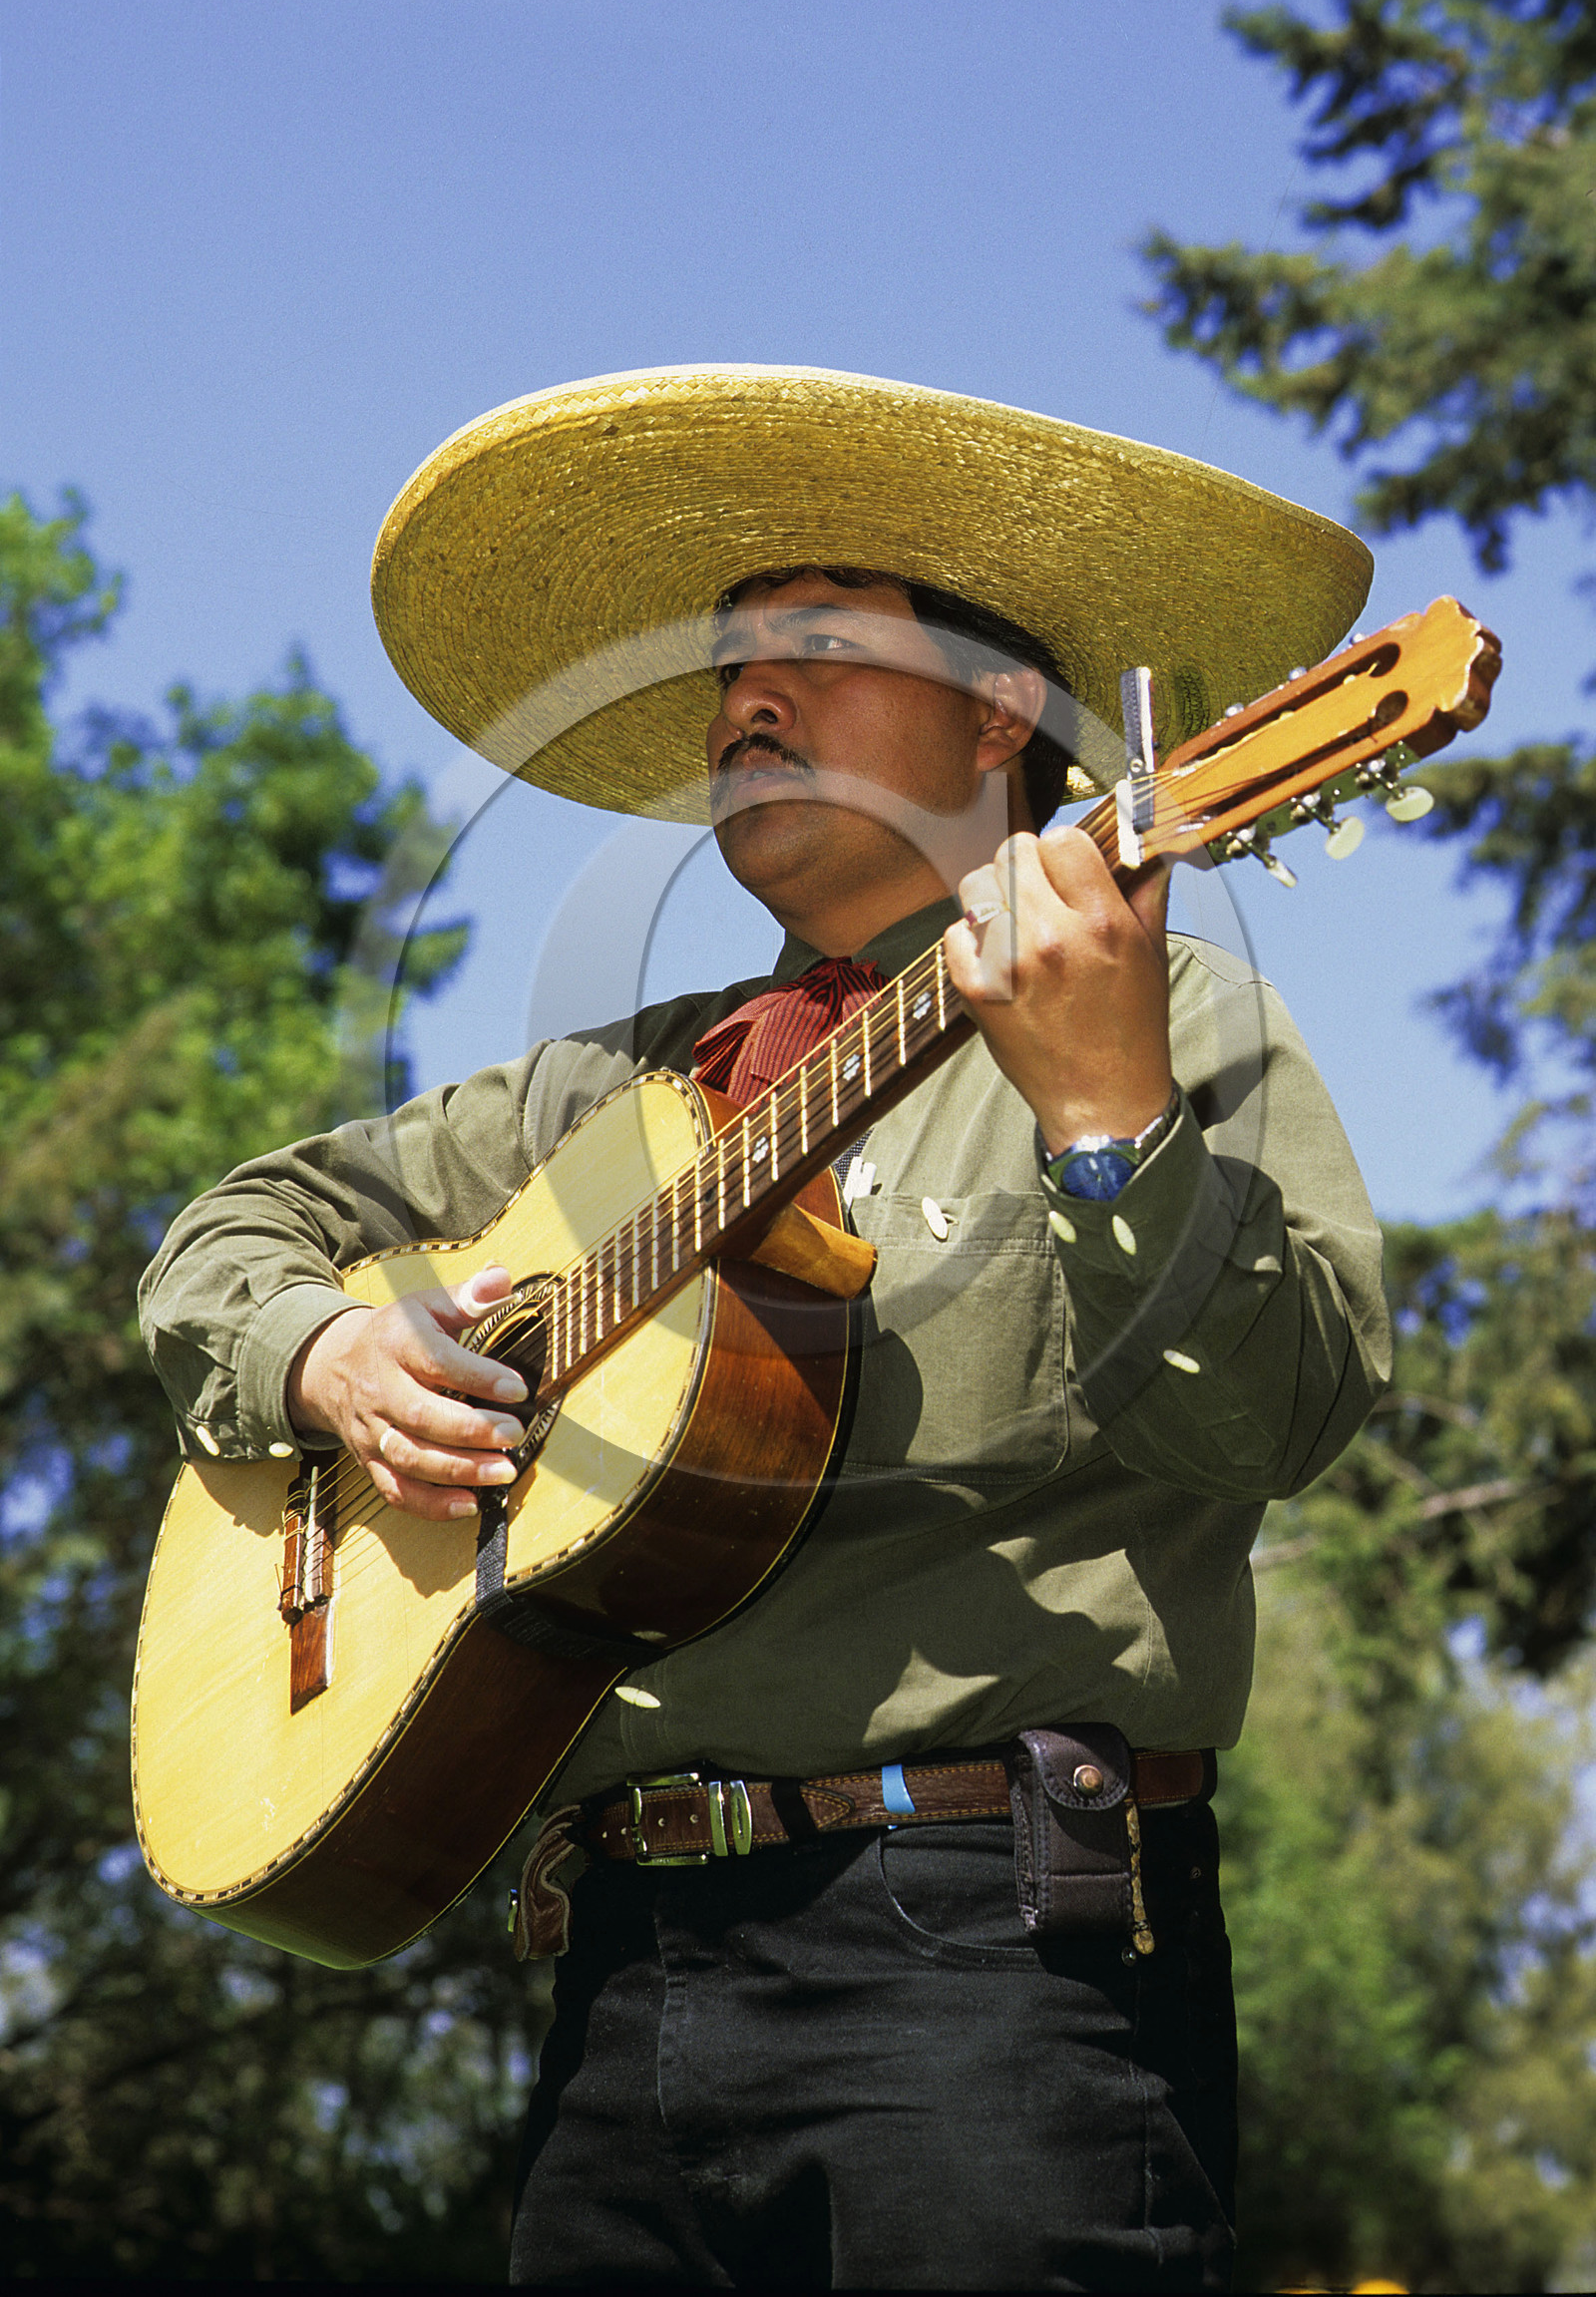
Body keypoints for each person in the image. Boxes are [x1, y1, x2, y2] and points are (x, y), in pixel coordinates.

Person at [140, 365, 1392, 2290]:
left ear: (1002, 713)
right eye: (730, 668)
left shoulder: (1177, 1018)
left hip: (998, 1973)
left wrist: (1105, 1122)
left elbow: (1280, 1423)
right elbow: (236, 1225)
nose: (743, 703)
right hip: (610, 1987)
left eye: (810, 646)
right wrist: (322, 1356)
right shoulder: (595, 1091)